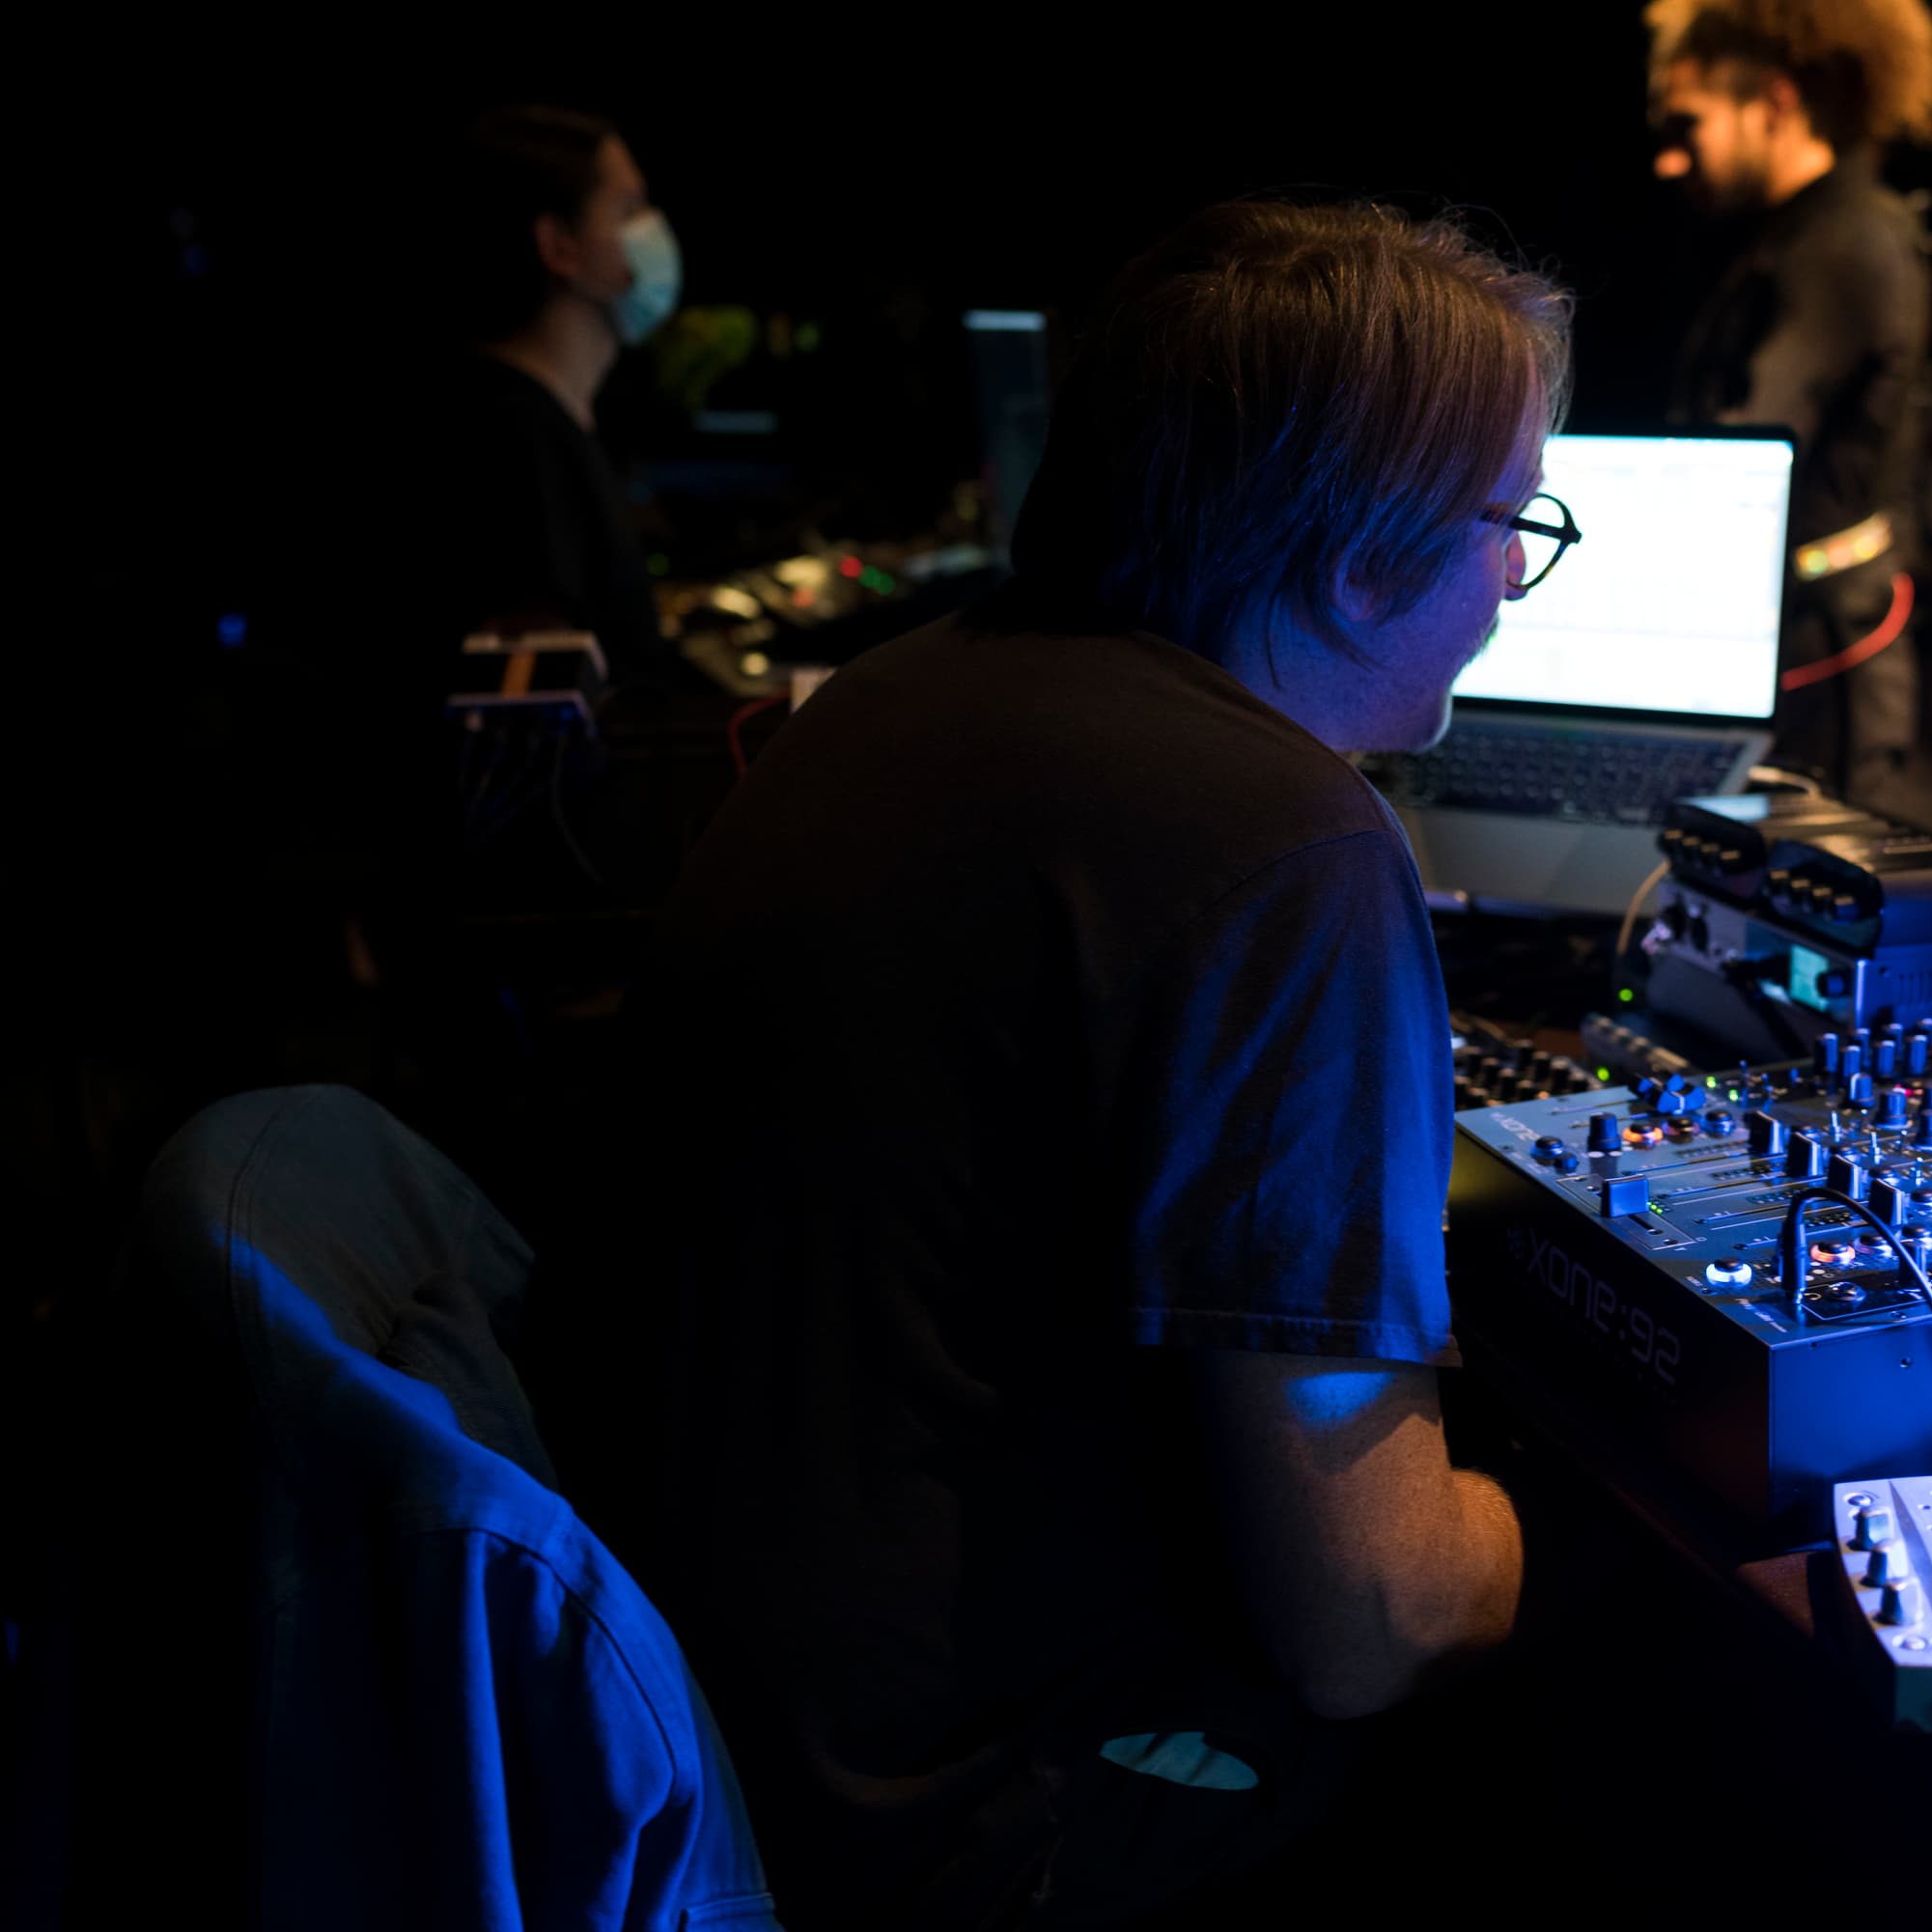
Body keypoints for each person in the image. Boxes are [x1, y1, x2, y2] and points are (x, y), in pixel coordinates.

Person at [531, 199, 1566, 1927]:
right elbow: (1369, 1624)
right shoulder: (1286, 848)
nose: (1517, 572)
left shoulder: (896, 695)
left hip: (723, 1724)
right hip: (978, 1817)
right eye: (1501, 517)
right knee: (1650, 1676)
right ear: (1350, 552)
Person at [1647, 0, 1932, 821]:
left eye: (1691, 124)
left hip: (1823, 674)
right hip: (1800, 644)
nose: (1670, 163)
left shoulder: (1846, 243)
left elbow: (1734, 459)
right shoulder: (1798, 237)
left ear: (1775, 105)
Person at [421, 104, 686, 688]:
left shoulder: (550, 422)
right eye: (628, 209)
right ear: (559, 246)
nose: (651, 231)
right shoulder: (509, 441)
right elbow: (532, 723)